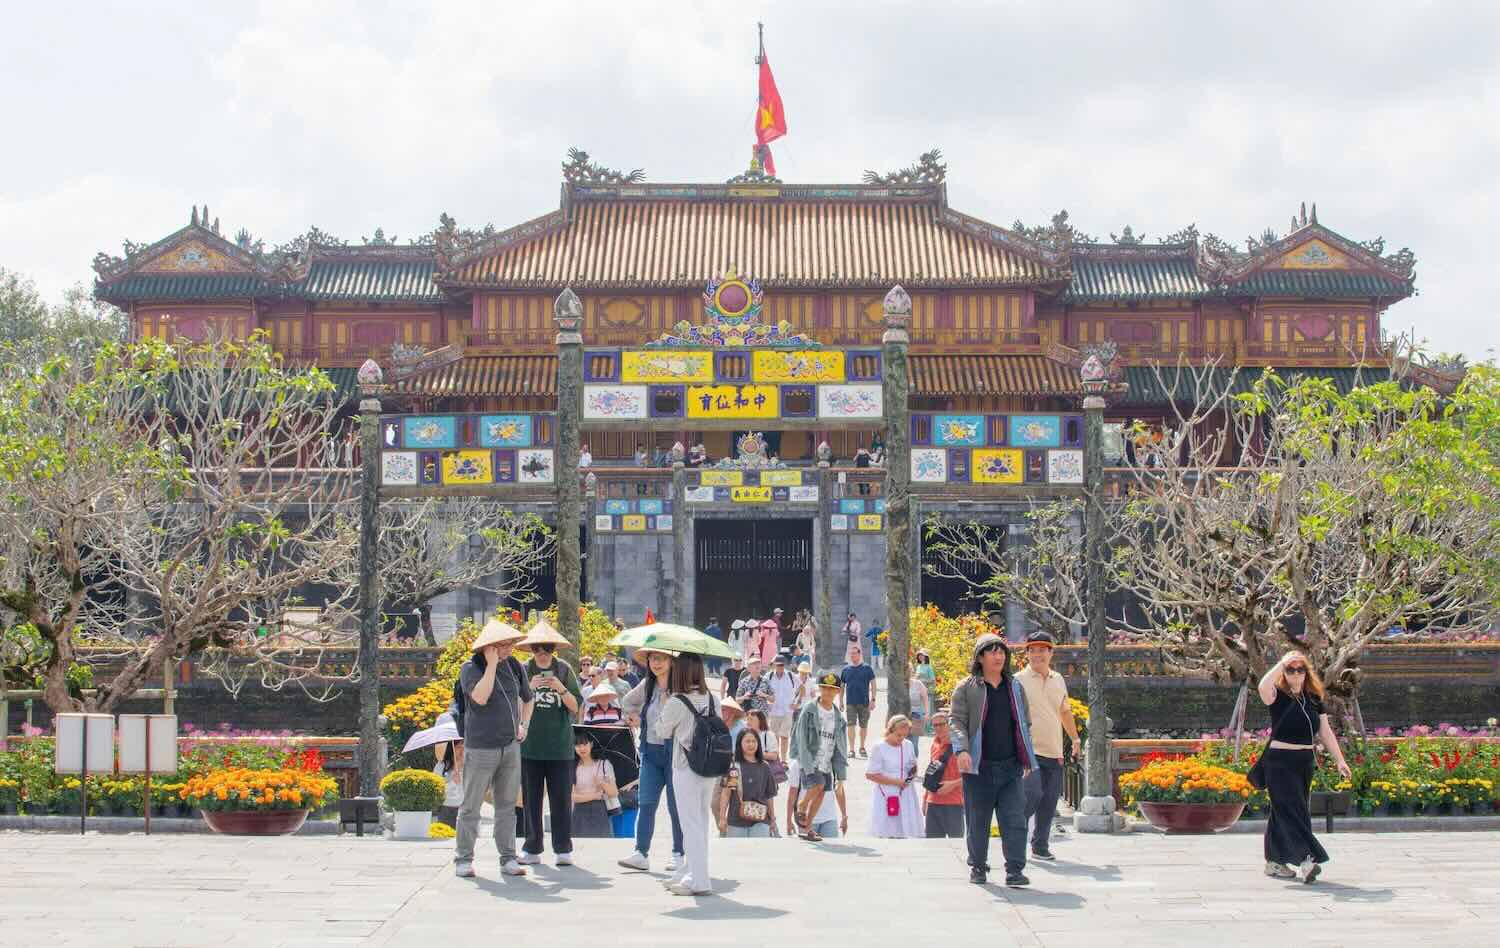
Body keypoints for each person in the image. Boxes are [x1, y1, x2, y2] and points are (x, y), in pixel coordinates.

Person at [949, 634, 1036, 887]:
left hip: (1010, 767)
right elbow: (956, 721)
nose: (998, 656)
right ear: (980, 657)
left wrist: (1027, 756)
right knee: (978, 820)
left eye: (1002, 652)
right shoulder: (966, 687)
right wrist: (962, 750)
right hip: (979, 767)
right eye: (992, 652)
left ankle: (1015, 870)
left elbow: (1024, 724)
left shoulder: (1015, 687)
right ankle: (978, 866)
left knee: (1015, 820)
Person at [1257, 650, 1350, 883]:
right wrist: (1282, 662)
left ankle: (1275, 862)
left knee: (1288, 810)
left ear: (1306, 672)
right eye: (1291, 669)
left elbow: (1325, 731)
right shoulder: (1276, 695)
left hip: (1303, 762)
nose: (1296, 674)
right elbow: (1262, 686)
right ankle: (1308, 860)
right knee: (1291, 810)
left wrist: (1340, 759)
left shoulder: (1313, 699)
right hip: (1279, 762)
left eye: (1300, 669)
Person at [453, 619, 534, 879]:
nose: (509, 648)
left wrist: (524, 725)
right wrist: (490, 665)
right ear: (489, 647)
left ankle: (508, 857)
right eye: (503, 645)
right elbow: (480, 697)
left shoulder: (515, 667)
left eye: (511, 643)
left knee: (507, 805)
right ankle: (464, 858)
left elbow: (528, 698)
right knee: (471, 806)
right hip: (480, 747)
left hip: (510, 745)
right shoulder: (471, 668)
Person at [517, 621, 583, 867]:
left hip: (560, 746)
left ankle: (563, 848)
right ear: (531, 649)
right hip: (530, 746)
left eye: (547, 648)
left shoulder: (564, 670)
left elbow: (577, 707)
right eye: (537, 648)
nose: (542, 652)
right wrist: (528, 689)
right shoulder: (524, 670)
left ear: (553, 648)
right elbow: (514, 706)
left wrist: (561, 689)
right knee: (531, 799)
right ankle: (532, 847)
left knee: (561, 799)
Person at [656, 653, 719, 896]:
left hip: (685, 767)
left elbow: (662, 730)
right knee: (701, 822)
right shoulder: (711, 698)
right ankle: (692, 872)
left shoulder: (677, 701)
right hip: (710, 767)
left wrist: (665, 705)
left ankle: (699, 880)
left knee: (690, 823)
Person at [618, 647, 684, 875]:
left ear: (671, 662)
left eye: (661, 659)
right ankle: (641, 853)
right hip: (650, 752)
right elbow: (626, 702)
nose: (656, 663)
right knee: (646, 803)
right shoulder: (648, 685)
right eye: (652, 659)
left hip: (675, 754)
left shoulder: (681, 687)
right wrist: (633, 717)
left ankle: (679, 854)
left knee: (677, 807)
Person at [1016, 631, 1078, 862]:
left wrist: (1075, 739)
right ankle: (1015, 839)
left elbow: (1064, 711)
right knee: (1031, 795)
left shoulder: (1058, 679)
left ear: (1050, 653)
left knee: (1049, 801)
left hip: (1054, 749)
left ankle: (1040, 846)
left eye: (1042, 650)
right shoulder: (1018, 680)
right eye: (1032, 650)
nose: (1036, 654)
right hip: (1029, 750)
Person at [789, 672, 848, 841]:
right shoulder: (810, 709)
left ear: (837, 692)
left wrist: (841, 774)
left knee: (822, 793)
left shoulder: (838, 717)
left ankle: (808, 828)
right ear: (820, 689)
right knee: (818, 784)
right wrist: (805, 761)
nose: (828, 692)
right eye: (825, 688)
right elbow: (800, 736)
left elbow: (841, 747)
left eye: (832, 689)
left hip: (826, 762)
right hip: (810, 758)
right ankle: (801, 805)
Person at [867, 715, 923, 838]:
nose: (901, 738)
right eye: (898, 735)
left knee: (905, 830)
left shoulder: (908, 745)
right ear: (889, 731)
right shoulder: (879, 747)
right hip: (886, 793)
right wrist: (896, 782)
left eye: (905, 735)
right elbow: (870, 774)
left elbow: (913, 766)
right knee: (886, 830)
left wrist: (911, 775)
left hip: (906, 792)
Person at [717, 729, 779, 838]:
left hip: (761, 820)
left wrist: (773, 818)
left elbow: (769, 796)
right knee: (737, 854)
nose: (751, 744)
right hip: (736, 821)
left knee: (759, 854)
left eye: (754, 741)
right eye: (747, 741)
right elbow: (726, 794)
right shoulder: (735, 767)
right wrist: (722, 818)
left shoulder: (764, 766)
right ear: (740, 744)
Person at [923, 710, 966, 838]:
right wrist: (925, 799)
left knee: (956, 844)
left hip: (953, 803)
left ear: (949, 725)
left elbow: (974, 775)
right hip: (933, 803)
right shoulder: (935, 744)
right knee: (933, 847)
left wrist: (953, 784)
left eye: (941, 724)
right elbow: (931, 773)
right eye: (935, 725)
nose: (938, 728)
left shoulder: (961, 746)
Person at [786, 758, 847, 840]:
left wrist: (844, 816)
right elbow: (792, 794)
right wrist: (789, 821)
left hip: (829, 818)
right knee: (808, 852)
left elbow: (839, 790)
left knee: (832, 851)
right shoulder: (797, 764)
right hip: (805, 820)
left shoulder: (832, 762)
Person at [571, 731, 617, 838]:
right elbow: (572, 796)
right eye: (578, 745)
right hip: (579, 812)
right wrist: (595, 796)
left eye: (585, 744)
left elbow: (614, 793)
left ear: (591, 744)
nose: (582, 748)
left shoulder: (604, 765)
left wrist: (602, 783)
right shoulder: (572, 767)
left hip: (599, 811)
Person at [840, 647, 877, 758]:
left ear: (859, 654)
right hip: (850, 702)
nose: (852, 656)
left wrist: (873, 699)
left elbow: (873, 684)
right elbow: (841, 686)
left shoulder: (867, 668)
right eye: (851, 654)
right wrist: (840, 701)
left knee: (863, 726)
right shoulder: (845, 670)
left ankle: (862, 747)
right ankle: (851, 749)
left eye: (854, 654)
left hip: (864, 702)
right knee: (850, 725)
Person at [432, 721, 465, 829]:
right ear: (452, 748)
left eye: (464, 747)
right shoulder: (441, 766)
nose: (462, 750)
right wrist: (452, 782)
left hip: (465, 810)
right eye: (458, 747)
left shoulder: (470, 766)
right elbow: (436, 788)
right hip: (446, 808)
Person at [766, 655, 799, 760]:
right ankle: (777, 759)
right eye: (778, 665)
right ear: (774, 665)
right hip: (773, 712)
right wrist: (767, 701)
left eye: (782, 665)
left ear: (785, 665)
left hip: (787, 712)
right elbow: (762, 690)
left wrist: (797, 703)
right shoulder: (768, 676)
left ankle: (784, 760)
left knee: (784, 737)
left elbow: (802, 688)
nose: (780, 667)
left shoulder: (791, 676)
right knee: (774, 738)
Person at [908, 670, 931, 760]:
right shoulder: (899, 684)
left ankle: (913, 765)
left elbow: (925, 698)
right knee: (902, 741)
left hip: (916, 715)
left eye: (907, 670)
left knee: (913, 742)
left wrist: (927, 712)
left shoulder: (918, 683)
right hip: (902, 715)